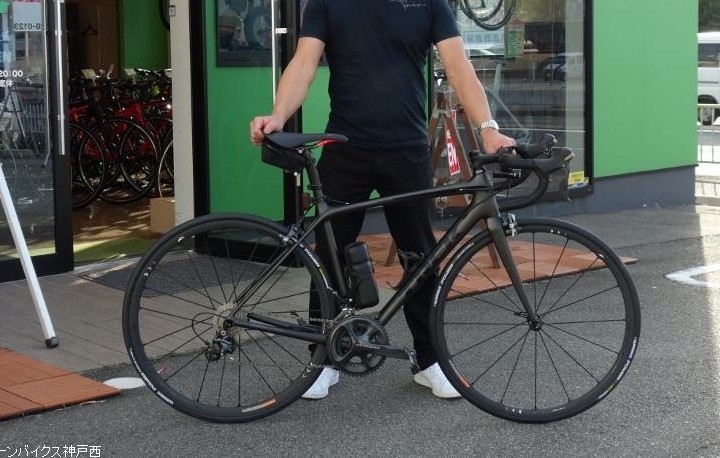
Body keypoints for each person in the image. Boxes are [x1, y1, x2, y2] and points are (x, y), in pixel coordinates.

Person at [249, 0, 516, 400]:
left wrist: (488, 129)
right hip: (344, 147)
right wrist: (278, 115)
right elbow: (304, 64)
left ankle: (429, 360)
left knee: (420, 257)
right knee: (330, 255)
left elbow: (458, 66)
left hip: (406, 151)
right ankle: (323, 359)